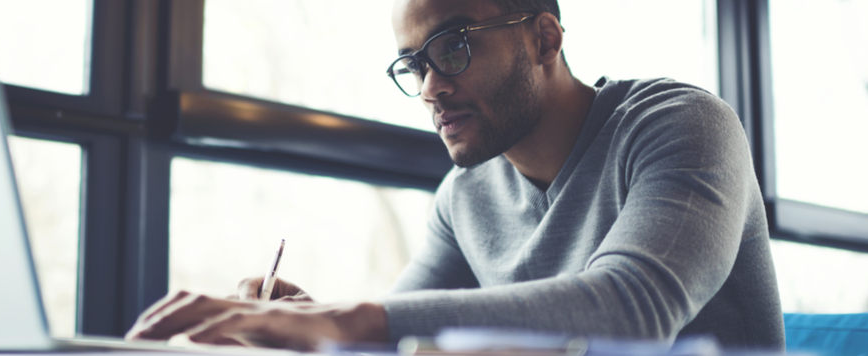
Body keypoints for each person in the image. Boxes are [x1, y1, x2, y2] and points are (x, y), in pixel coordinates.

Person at [124, 0, 784, 351]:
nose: (430, 89)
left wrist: (349, 322)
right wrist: (309, 324)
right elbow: (403, 333)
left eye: (453, 47)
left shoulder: (679, 124)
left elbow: (630, 309)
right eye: (413, 65)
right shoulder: (464, 197)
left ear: (544, 40)